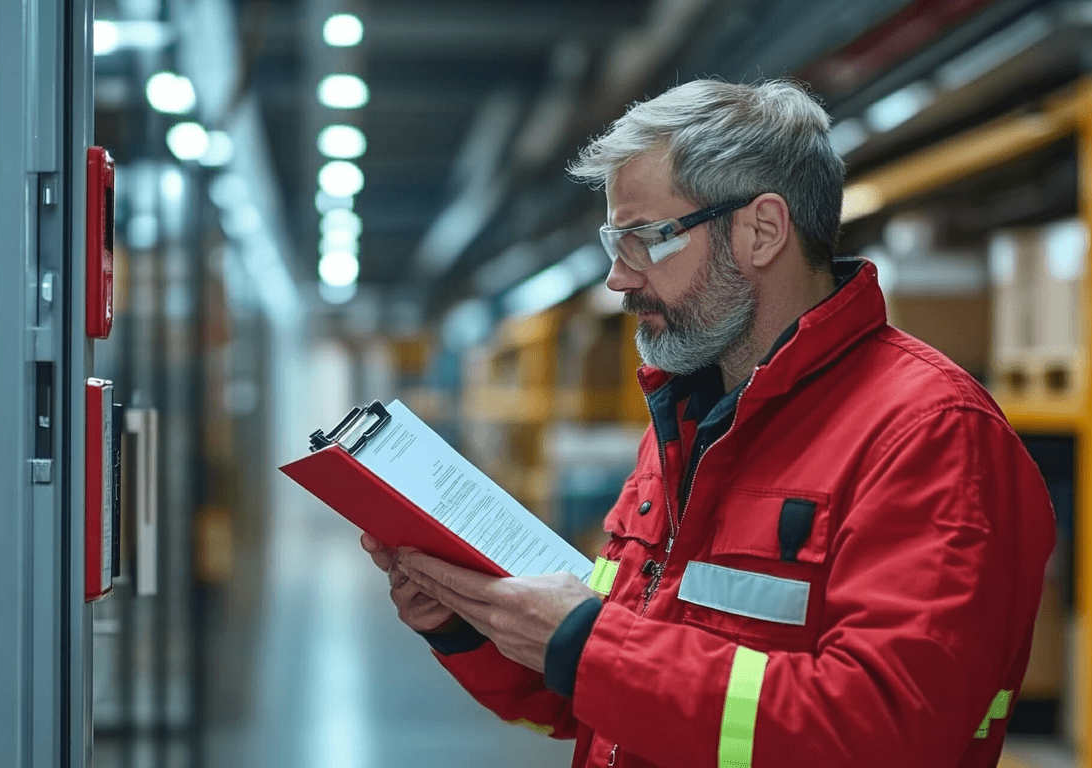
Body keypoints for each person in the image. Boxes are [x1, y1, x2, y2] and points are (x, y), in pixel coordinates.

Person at [361, 79, 1056, 768]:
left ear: (761, 230)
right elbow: (598, 696)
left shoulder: (929, 434)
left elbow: (884, 733)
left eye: (645, 240)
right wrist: (467, 621)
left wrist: (586, 642)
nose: (619, 279)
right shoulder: (689, 420)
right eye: (616, 242)